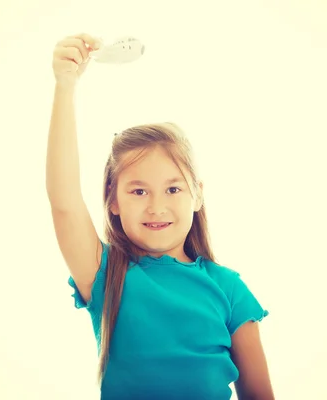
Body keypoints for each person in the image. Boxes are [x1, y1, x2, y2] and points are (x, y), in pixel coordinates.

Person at [46, 33, 275, 400]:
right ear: (113, 201)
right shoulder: (106, 274)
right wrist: (65, 87)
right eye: (138, 191)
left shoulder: (229, 289)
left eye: (172, 189)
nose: (156, 206)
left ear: (197, 194)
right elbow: (64, 202)